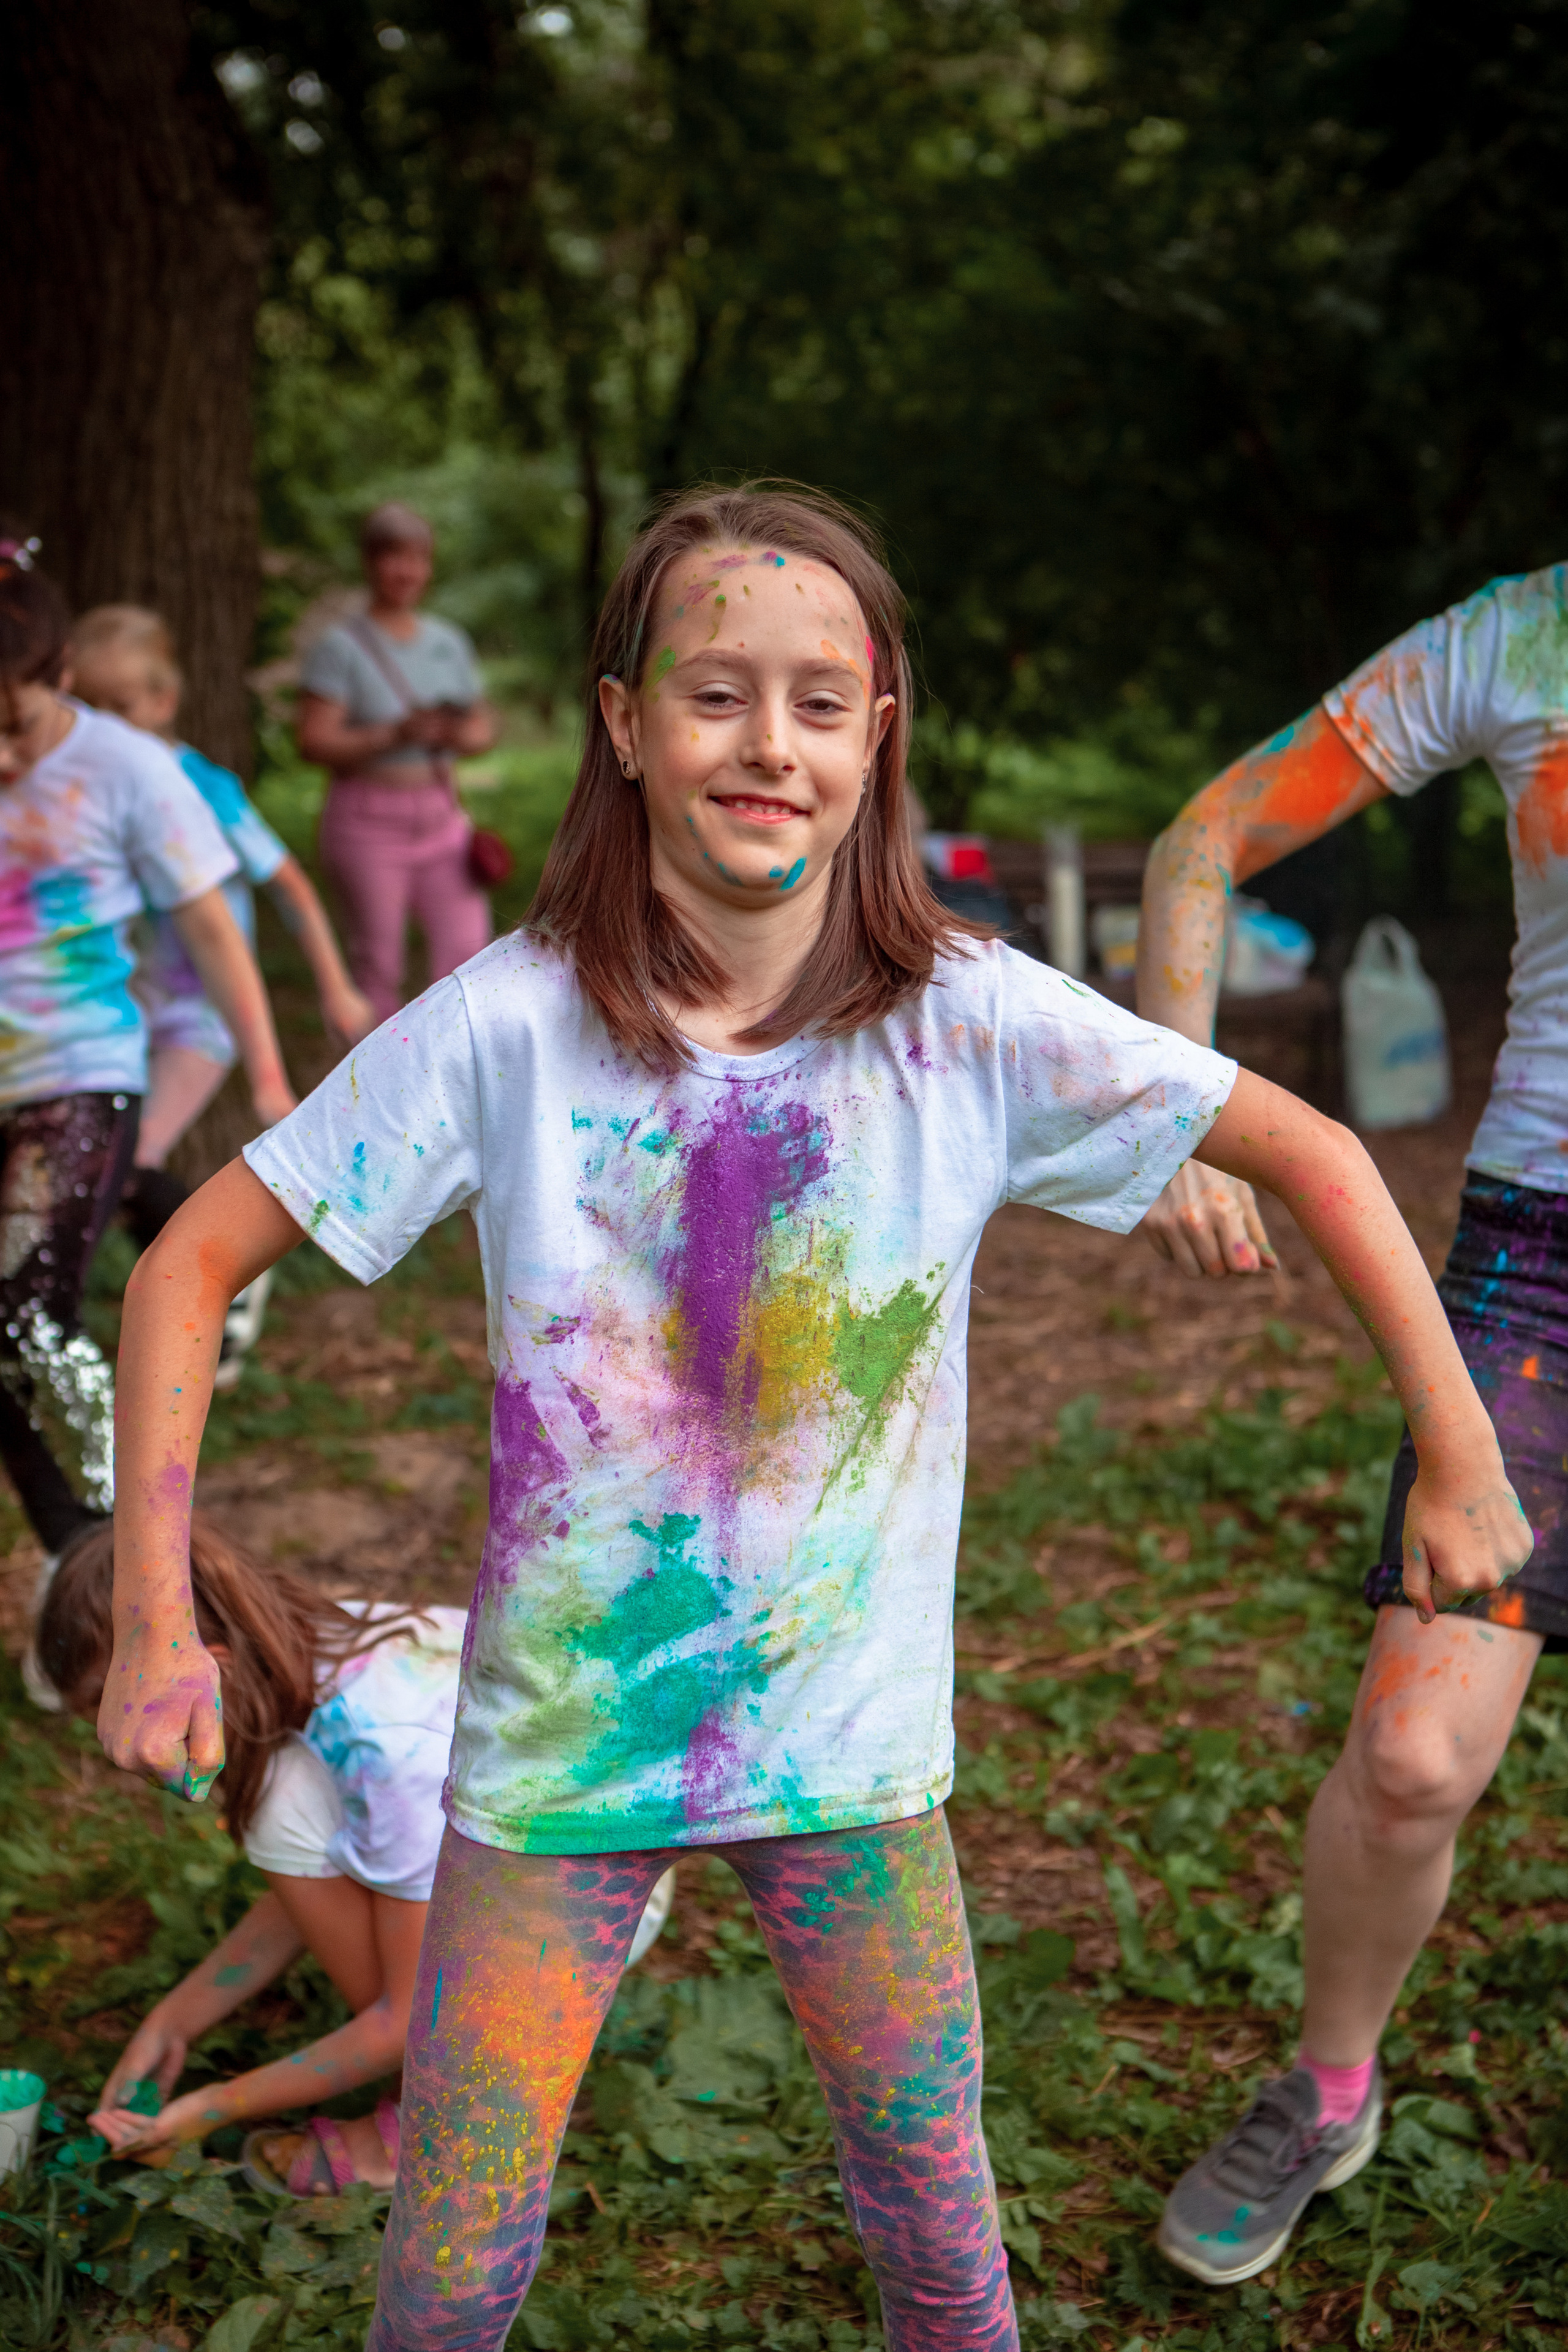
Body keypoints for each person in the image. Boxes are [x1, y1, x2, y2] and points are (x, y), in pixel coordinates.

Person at [98, 484, 1527, 2352]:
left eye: (816, 700)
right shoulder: (508, 1026)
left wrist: (1459, 1440)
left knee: (943, 2249)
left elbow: (1319, 1151)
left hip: (852, 1766)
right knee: (446, 2268)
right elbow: (184, 1260)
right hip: (553, 1765)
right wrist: (146, 1618)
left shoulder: (966, 1021)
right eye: (712, 693)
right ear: (621, 724)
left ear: (877, 737)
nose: (766, 741)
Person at [1135, 562, 1568, 2283]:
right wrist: (1174, 1114)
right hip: (1546, 1272)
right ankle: (1328, 2091)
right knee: (1409, 1760)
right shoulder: (1525, 635)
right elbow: (1202, 838)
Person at [41, 1515, 673, 2192]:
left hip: (587, 1921)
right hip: (609, 1861)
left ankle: (450, 2115)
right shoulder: (326, 1644)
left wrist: (208, 2109)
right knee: (288, 1806)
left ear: (211, 1666)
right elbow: (312, 1889)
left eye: (108, 1708)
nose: (113, 1746)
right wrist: (175, 2022)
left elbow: (404, 2021)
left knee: (281, 1805)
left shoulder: (374, 1757)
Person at [0, 537, 292, 1563]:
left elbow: (218, 926)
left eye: (17, 723)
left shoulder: (130, 769)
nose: (1, 757)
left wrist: (264, 1072)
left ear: (61, 676)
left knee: (24, 1319)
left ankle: (104, 1557)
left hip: (80, 1072)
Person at [67, 606, 374, 1385]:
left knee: (128, 1157)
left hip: (204, 1015)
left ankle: (223, 1275)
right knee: (117, 1161)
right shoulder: (83, 788)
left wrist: (336, 987)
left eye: (124, 708)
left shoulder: (205, 788)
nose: (108, 728)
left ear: (164, 700)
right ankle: (201, 1281)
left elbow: (293, 890)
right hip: (127, 1009)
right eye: (91, 708)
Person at [296, 502, 499, 1024]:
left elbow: (482, 731)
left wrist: (449, 732)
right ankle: (376, 1091)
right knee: (378, 964)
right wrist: (392, 735)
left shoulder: (448, 642)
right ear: (369, 563)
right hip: (366, 818)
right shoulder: (340, 648)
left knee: (468, 952)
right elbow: (313, 741)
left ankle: (453, 1081)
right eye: (394, 558)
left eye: (419, 558)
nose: (407, 571)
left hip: (440, 810)